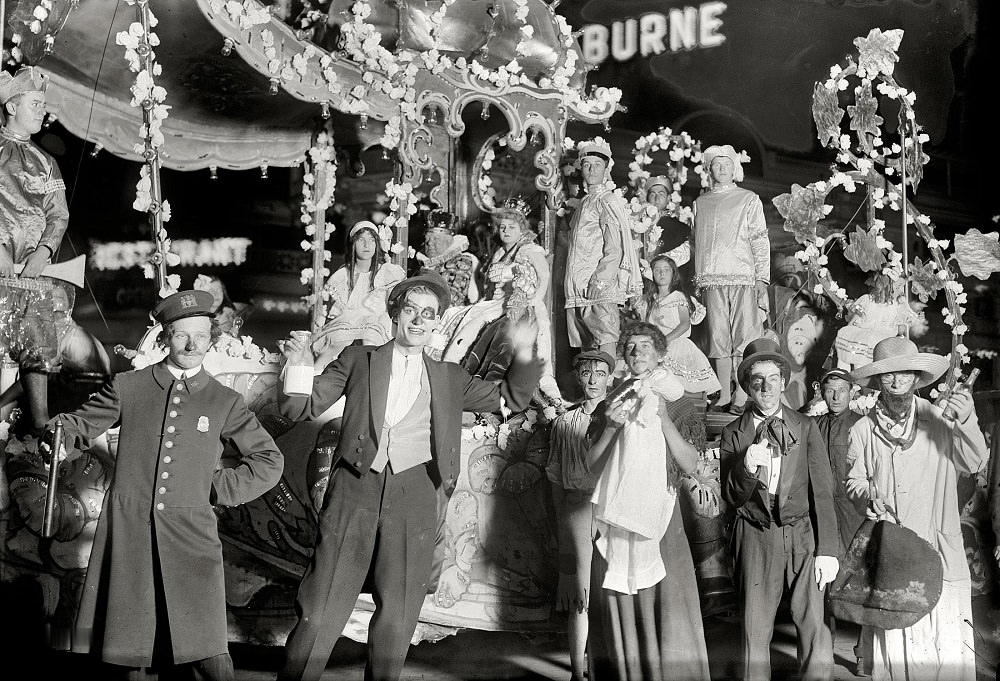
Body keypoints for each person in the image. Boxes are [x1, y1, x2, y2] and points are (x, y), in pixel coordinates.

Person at [275, 270, 541, 681]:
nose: (418, 320)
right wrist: (299, 365)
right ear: (396, 313)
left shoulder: (449, 377)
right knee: (321, 607)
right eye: (411, 310)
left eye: (428, 314)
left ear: (437, 322)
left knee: (399, 614)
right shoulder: (358, 358)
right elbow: (300, 409)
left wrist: (524, 351)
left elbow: (512, 397)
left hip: (415, 492)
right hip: (353, 489)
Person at [43, 290, 284, 680]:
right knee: (126, 650)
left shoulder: (225, 401)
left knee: (205, 651)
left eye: (201, 336)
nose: (191, 345)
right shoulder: (129, 386)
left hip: (192, 534)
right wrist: (59, 434)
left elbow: (269, 460)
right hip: (129, 531)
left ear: (211, 340)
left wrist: (217, 487)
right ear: (165, 337)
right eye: (181, 335)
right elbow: (79, 424)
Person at [845, 336, 986, 681]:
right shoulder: (863, 429)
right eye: (888, 375)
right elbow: (854, 482)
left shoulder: (940, 420)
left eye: (904, 374)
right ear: (878, 380)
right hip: (894, 554)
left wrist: (966, 421)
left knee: (944, 648)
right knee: (896, 648)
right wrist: (868, 496)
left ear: (916, 378)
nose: (896, 381)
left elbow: (975, 461)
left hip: (939, 550)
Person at [585, 321, 711, 681]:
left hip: (661, 512)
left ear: (660, 353)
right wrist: (610, 427)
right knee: (621, 596)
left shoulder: (678, 398)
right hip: (617, 510)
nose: (637, 352)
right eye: (630, 347)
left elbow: (690, 464)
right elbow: (592, 466)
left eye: (645, 346)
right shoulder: (614, 399)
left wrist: (664, 421)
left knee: (666, 598)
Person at [720, 337, 839, 681]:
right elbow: (731, 497)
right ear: (747, 386)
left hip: (802, 534)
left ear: (784, 382)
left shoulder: (805, 426)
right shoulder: (733, 433)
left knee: (814, 625)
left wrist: (827, 549)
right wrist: (745, 467)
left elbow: (823, 492)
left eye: (773, 378)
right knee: (753, 630)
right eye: (757, 380)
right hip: (755, 534)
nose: (766, 387)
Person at [429, 199, 560, 401]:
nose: (506, 231)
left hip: (522, 304)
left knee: (485, 330)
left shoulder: (529, 250)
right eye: (503, 227)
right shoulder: (500, 252)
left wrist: (530, 300)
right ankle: (447, 373)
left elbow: (542, 278)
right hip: (497, 303)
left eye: (512, 227)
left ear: (522, 229)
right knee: (458, 317)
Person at [0, 66, 71, 434]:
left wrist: (43, 252)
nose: (42, 110)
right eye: (35, 103)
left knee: (39, 345)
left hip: (32, 273)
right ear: (12, 106)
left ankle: (40, 418)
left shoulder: (46, 162)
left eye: (43, 104)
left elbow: (58, 215)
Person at [545, 349, 614, 681]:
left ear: (610, 379)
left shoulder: (619, 418)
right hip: (576, 508)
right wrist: (563, 522)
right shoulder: (564, 423)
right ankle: (577, 672)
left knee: (613, 589)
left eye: (600, 374)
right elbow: (556, 480)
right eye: (587, 373)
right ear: (577, 377)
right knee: (579, 594)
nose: (593, 380)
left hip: (613, 509)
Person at [692, 145, 769, 415]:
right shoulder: (700, 202)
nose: (721, 168)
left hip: (743, 277)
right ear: (709, 169)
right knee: (718, 337)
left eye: (726, 164)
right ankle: (724, 392)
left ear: (734, 167)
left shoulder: (748, 198)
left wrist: (762, 277)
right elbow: (694, 243)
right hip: (711, 280)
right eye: (716, 164)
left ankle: (741, 392)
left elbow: (760, 240)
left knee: (744, 336)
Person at [811, 367, 873, 676]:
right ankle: (824, 649)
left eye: (842, 391)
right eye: (830, 390)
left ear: (852, 393)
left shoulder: (862, 426)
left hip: (854, 514)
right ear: (822, 392)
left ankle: (863, 653)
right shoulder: (812, 425)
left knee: (860, 580)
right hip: (822, 514)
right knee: (822, 581)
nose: (836, 396)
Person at [564, 137, 642, 357]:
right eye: (587, 165)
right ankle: (592, 392)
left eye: (597, 165)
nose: (591, 169)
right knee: (587, 345)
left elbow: (614, 247)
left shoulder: (606, 200)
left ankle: (605, 391)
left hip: (597, 286)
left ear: (606, 169)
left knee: (605, 338)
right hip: (579, 285)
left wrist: (599, 281)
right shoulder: (585, 203)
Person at [311, 220, 405, 370]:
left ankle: (372, 375)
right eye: (361, 240)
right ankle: (316, 374)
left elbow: (392, 307)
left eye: (371, 240)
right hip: (347, 320)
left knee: (369, 338)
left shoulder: (386, 273)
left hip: (377, 321)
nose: (367, 245)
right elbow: (337, 310)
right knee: (338, 340)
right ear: (353, 244)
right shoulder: (343, 275)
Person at [636, 253, 721, 400]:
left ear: (673, 273)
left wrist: (664, 340)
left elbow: (684, 324)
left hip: (676, 342)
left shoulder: (678, 297)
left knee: (678, 381)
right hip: (656, 344)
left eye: (666, 269)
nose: (661, 273)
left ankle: (694, 398)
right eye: (657, 270)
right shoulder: (649, 301)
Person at [835, 272, 917, 372]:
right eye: (899, 286)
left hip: (881, 342)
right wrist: (846, 334)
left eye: (902, 287)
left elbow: (901, 326)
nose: (901, 291)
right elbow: (854, 321)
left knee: (870, 367)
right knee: (848, 354)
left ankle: (862, 381)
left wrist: (903, 324)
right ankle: (843, 377)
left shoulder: (895, 306)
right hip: (862, 339)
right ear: (887, 287)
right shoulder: (867, 300)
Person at [419, 208, 479, 306]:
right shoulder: (421, 263)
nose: (429, 243)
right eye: (427, 238)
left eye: (436, 239)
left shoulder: (462, 261)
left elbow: (452, 300)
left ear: (449, 241)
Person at [640, 175, 691, 266]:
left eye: (661, 194)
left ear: (668, 198)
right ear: (647, 198)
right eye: (652, 194)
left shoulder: (680, 229)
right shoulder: (640, 225)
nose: (656, 198)